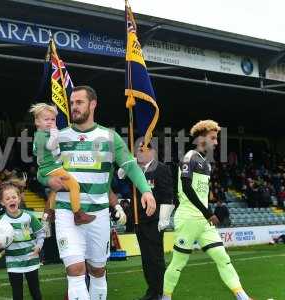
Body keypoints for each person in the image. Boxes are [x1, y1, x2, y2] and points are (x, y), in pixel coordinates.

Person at [37, 85, 156, 300]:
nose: (74, 107)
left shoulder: (109, 137)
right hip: (67, 213)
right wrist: (47, 180)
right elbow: (42, 169)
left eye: (79, 102)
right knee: (75, 271)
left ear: (93, 104)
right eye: (72, 103)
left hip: (99, 215)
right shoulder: (58, 137)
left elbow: (130, 165)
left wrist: (145, 190)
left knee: (97, 271)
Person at [162, 120, 252, 300]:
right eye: (213, 138)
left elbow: (202, 195)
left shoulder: (206, 163)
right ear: (202, 138)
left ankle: (242, 296)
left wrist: (208, 212)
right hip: (188, 218)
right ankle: (165, 297)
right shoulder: (190, 157)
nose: (217, 142)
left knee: (222, 256)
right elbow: (187, 188)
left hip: (203, 221)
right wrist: (208, 213)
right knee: (179, 262)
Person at [119, 143, 174, 300]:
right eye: (137, 150)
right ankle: (151, 290)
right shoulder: (135, 169)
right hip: (139, 220)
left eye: (142, 150)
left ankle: (161, 292)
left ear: (153, 152)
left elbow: (167, 194)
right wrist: (128, 165)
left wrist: (164, 219)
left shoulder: (161, 168)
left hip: (155, 221)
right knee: (146, 258)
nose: (139, 153)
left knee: (155, 258)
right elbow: (120, 175)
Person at [30, 103, 95, 225]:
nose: (50, 122)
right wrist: (55, 135)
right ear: (37, 122)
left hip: (50, 167)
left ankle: (50, 212)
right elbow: (51, 146)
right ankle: (78, 214)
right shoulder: (42, 135)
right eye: (46, 119)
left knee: (58, 189)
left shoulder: (39, 135)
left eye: (53, 119)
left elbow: (36, 152)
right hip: (52, 168)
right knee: (74, 186)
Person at [0, 181, 45, 300]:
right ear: (2, 202)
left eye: (14, 197)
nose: (11, 200)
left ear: (19, 199)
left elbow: (41, 233)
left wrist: (39, 246)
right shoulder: (1, 221)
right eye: (7, 198)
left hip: (30, 259)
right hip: (13, 262)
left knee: (35, 292)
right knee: (17, 294)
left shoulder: (29, 216)